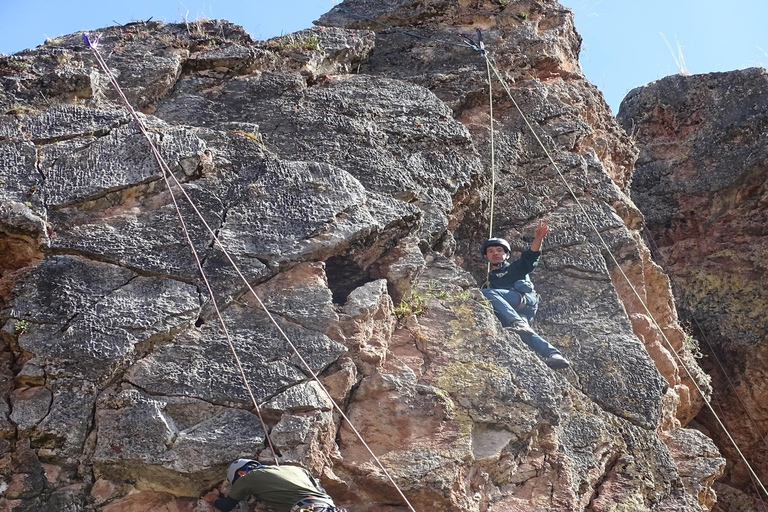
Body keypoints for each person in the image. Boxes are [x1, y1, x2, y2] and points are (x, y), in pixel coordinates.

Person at [481, 219, 570, 370]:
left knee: (485, 293)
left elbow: (531, 255)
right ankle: (553, 354)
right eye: (490, 251)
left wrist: (538, 238)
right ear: (486, 257)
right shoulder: (489, 279)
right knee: (524, 334)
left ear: (507, 254)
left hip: (523, 300)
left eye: (499, 250)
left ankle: (517, 322)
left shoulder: (516, 268)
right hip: (516, 309)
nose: (495, 253)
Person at [213, 459, 343, 512]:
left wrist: (212, 498)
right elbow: (320, 490)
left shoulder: (248, 477)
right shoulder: (296, 469)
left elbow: (226, 506)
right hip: (329, 507)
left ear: (241, 473)